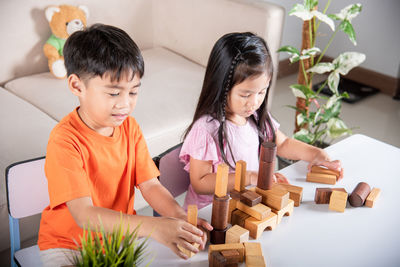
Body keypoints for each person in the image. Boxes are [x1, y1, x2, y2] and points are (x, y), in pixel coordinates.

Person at [37, 24, 212, 266]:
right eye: (113, 93)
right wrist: (155, 227)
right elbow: (85, 215)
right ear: (77, 86)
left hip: (120, 239)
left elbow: (150, 185)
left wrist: (180, 218)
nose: (125, 105)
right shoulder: (64, 141)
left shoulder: (130, 128)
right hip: (69, 246)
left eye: (133, 93)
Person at [179, 32, 343, 210]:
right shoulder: (206, 129)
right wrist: (249, 177)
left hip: (246, 204)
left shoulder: (255, 117)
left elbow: (283, 144)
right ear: (221, 87)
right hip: (211, 214)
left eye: (261, 92)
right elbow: (200, 183)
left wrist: (317, 154)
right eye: (245, 94)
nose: (255, 102)